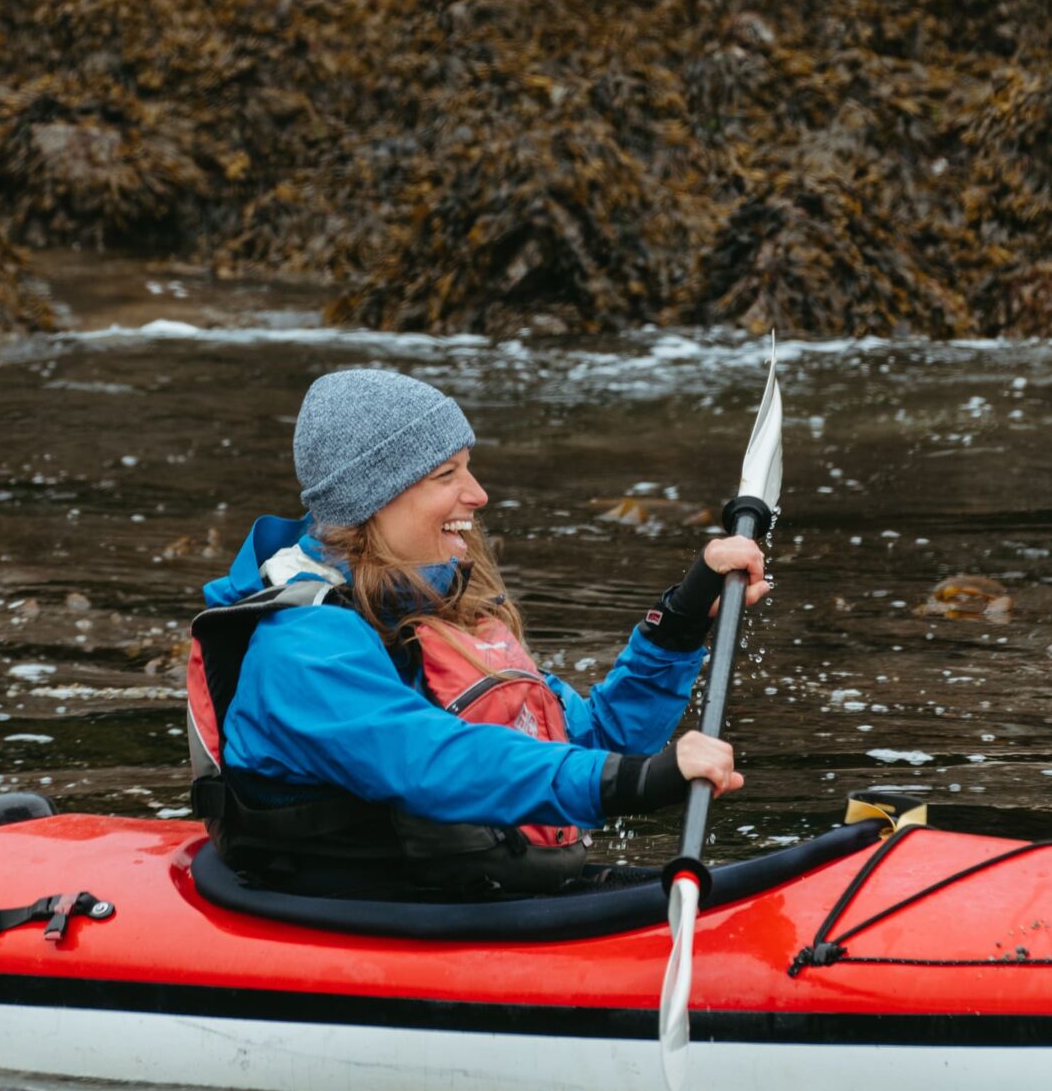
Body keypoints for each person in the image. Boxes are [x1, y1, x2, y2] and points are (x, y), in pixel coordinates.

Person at [188, 368, 768, 897]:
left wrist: (681, 622)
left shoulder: (431, 606)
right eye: (447, 474)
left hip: (458, 893)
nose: (479, 494)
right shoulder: (301, 650)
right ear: (376, 502)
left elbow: (594, 741)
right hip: (366, 918)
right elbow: (436, 762)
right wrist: (634, 782)